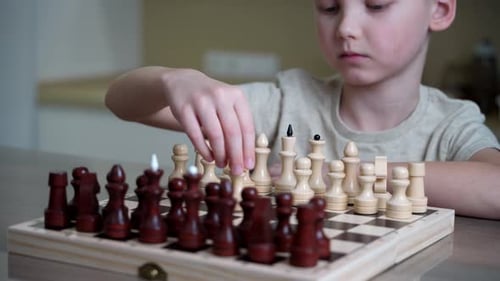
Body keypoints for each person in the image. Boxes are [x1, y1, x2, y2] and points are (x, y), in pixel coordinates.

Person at [105, 0, 500, 219]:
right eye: (329, 7)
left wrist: (341, 176)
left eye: (376, 4)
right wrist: (172, 80)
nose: (346, 26)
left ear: (440, 9)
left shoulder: (452, 124)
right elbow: (121, 103)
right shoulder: (285, 100)